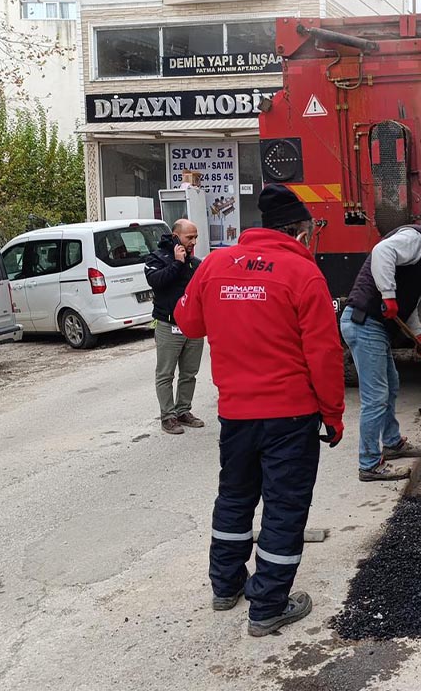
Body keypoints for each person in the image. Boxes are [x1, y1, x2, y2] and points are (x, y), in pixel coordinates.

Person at [174, 184, 345, 637]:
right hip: (290, 416)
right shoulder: (302, 274)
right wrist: (334, 413)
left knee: (234, 497)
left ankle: (226, 587)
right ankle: (268, 606)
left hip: (236, 413)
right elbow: (324, 355)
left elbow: (188, 322)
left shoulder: (213, 264)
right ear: (300, 230)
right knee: (285, 509)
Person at [340, 215, 421, 482]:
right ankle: (369, 464)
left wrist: (420, 337)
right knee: (376, 396)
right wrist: (387, 295)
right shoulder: (415, 238)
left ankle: (393, 443)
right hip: (364, 322)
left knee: (392, 383)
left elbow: (407, 306)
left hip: (376, 326)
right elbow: (381, 251)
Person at [144, 219, 204, 435]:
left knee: (189, 373)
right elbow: (156, 282)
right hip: (168, 325)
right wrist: (177, 263)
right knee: (166, 374)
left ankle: (183, 411)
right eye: (190, 237)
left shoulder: (196, 263)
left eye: (196, 237)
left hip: (193, 328)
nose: (194, 241)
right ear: (176, 236)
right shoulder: (156, 259)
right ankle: (168, 416)